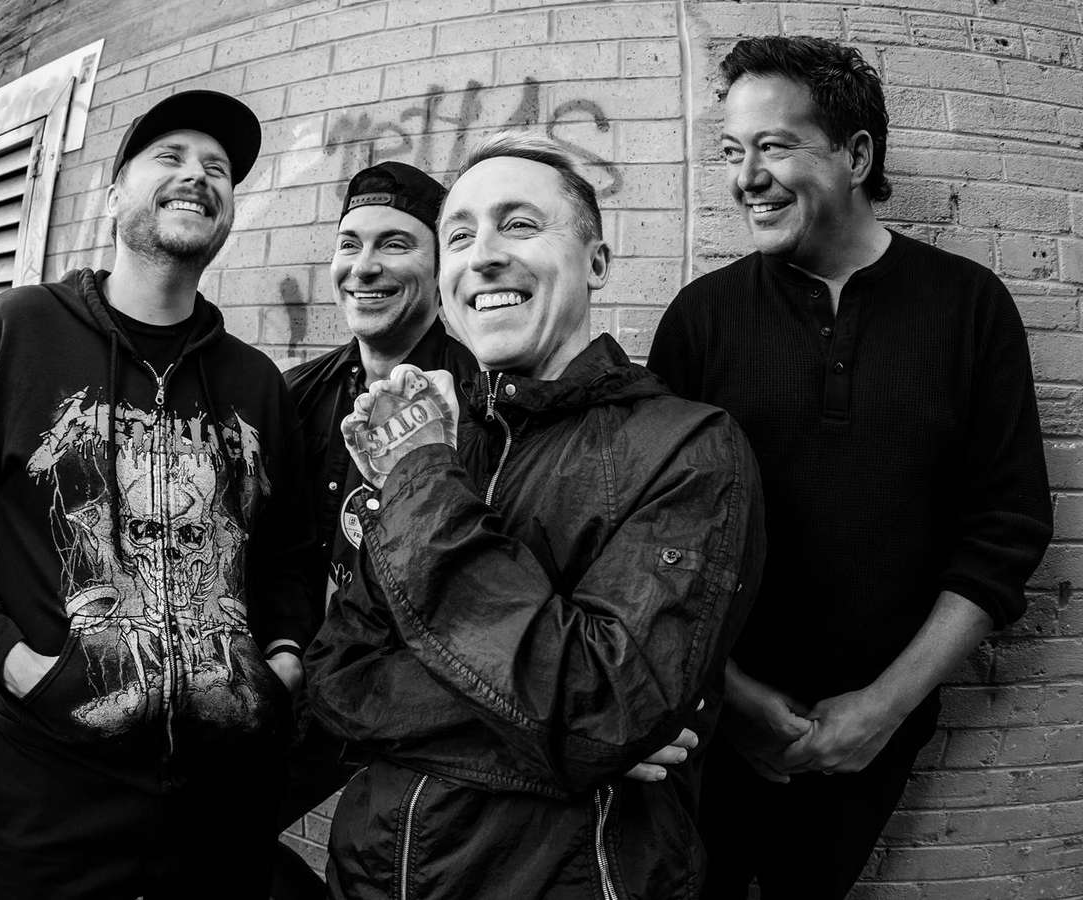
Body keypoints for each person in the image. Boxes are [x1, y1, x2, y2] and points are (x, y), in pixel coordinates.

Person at [304, 133, 765, 899]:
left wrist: (421, 479)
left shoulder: (687, 449)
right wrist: (564, 744)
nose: (483, 254)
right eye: (459, 237)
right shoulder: (440, 442)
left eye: (519, 225)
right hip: (373, 879)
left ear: (596, 262)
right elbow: (340, 681)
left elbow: (601, 706)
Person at [647, 36, 1053, 899]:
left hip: (871, 739)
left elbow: (1007, 529)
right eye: (732, 151)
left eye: (773, 146)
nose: (745, 178)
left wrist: (883, 708)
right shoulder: (700, 319)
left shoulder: (969, 307)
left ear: (857, 155)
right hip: (707, 726)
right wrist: (733, 697)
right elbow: (648, 538)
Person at [0, 89, 315, 899]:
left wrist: (284, 658)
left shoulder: (255, 382)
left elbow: (288, 548)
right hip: (53, 796)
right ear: (115, 195)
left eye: (218, 169)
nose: (198, 176)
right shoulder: (20, 332)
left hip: (224, 803)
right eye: (171, 157)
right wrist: (10, 661)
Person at [277, 161, 476, 890]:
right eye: (349, 244)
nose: (364, 267)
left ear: (439, 263)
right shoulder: (296, 396)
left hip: (427, 713)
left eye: (394, 244)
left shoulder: (484, 399)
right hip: (307, 686)